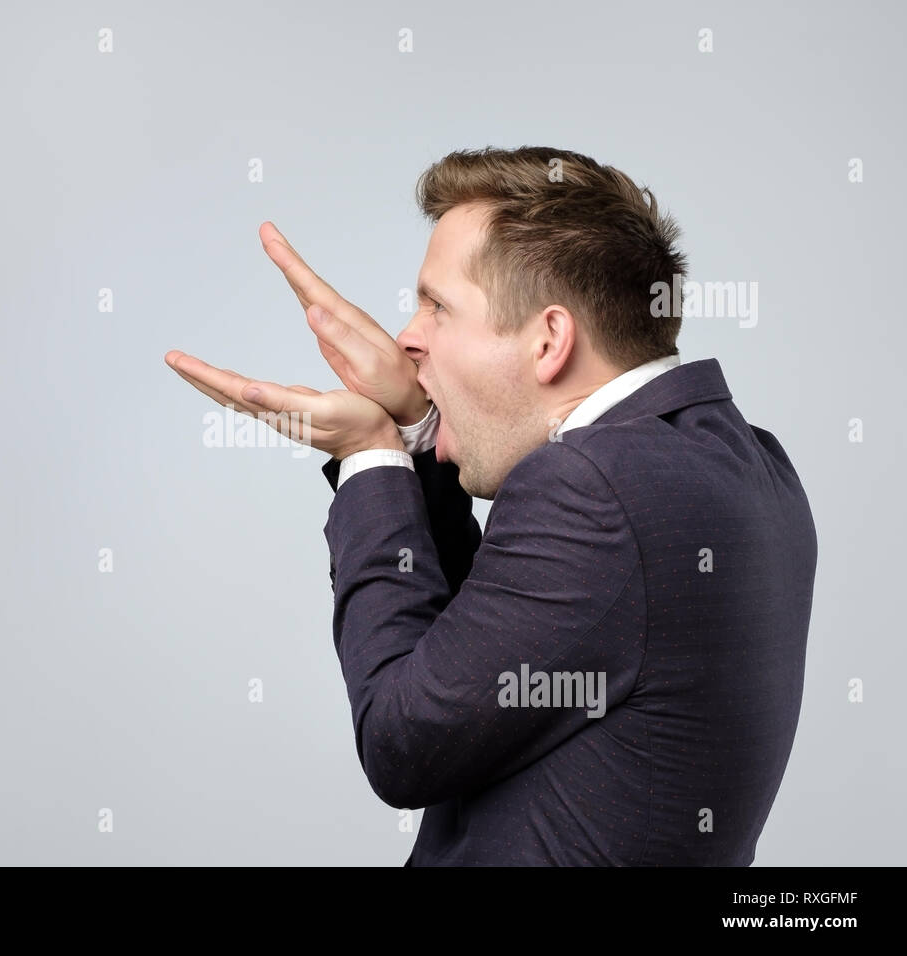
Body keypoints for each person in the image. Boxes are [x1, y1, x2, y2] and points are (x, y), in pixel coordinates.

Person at [164, 145, 817, 865]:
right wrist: (418, 432)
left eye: (438, 307)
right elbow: (484, 661)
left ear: (548, 341)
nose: (408, 337)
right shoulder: (748, 463)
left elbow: (403, 741)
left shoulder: (590, 485)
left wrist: (370, 457)